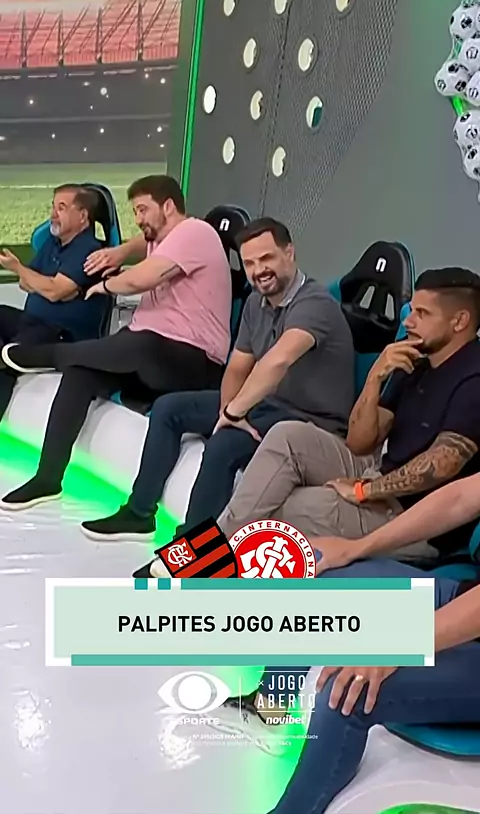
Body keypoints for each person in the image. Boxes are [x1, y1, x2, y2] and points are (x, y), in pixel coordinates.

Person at [79, 217, 356, 556]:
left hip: (310, 423)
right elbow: (238, 365)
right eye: (250, 263)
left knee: (225, 444)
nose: (258, 271)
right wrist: (228, 410)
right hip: (269, 406)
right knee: (168, 408)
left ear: (290, 253)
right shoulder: (256, 303)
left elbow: (277, 361)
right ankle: (139, 513)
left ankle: (196, 549)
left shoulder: (315, 304)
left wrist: (233, 413)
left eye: (266, 258)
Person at [210, 475, 480, 813]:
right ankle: (270, 707)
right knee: (318, 571)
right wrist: (355, 547)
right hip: (465, 595)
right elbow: (459, 499)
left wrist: (404, 640)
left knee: (347, 691)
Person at [216, 267, 480, 563]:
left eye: (422, 313)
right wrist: (375, 378)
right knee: (286, 434)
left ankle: (208, 565)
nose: (408, 321)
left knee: (283, 506)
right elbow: (359, 443)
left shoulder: (474, 377)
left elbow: (442, 465)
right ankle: (207, 556)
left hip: (415, 518)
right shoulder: (414, 357)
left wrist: (364, 490)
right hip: (378, 470)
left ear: (460, 321)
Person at [0, 174, 232, 510]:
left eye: (142, 210)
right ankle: (48, 478)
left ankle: (42, 355)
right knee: (82, 372)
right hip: (153, 358)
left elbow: (143, 278)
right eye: (134, 212)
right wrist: (120, 251)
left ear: (168, 206)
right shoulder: (160, 239)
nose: (138, 219)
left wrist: (107, 285)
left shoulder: (195, 232)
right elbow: (141, 244)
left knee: (139, 344)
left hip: (193, 360)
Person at [0, 183, 108, 422]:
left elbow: (53, 291)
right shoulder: (52, 243)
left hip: (61, 334)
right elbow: (26, 283)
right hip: (33, 321)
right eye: (53, 206)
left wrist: (23, 271)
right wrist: (48, 285)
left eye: (61, 207)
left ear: (82, 216)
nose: (53, 214)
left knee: (8, 357)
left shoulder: (89, 251)